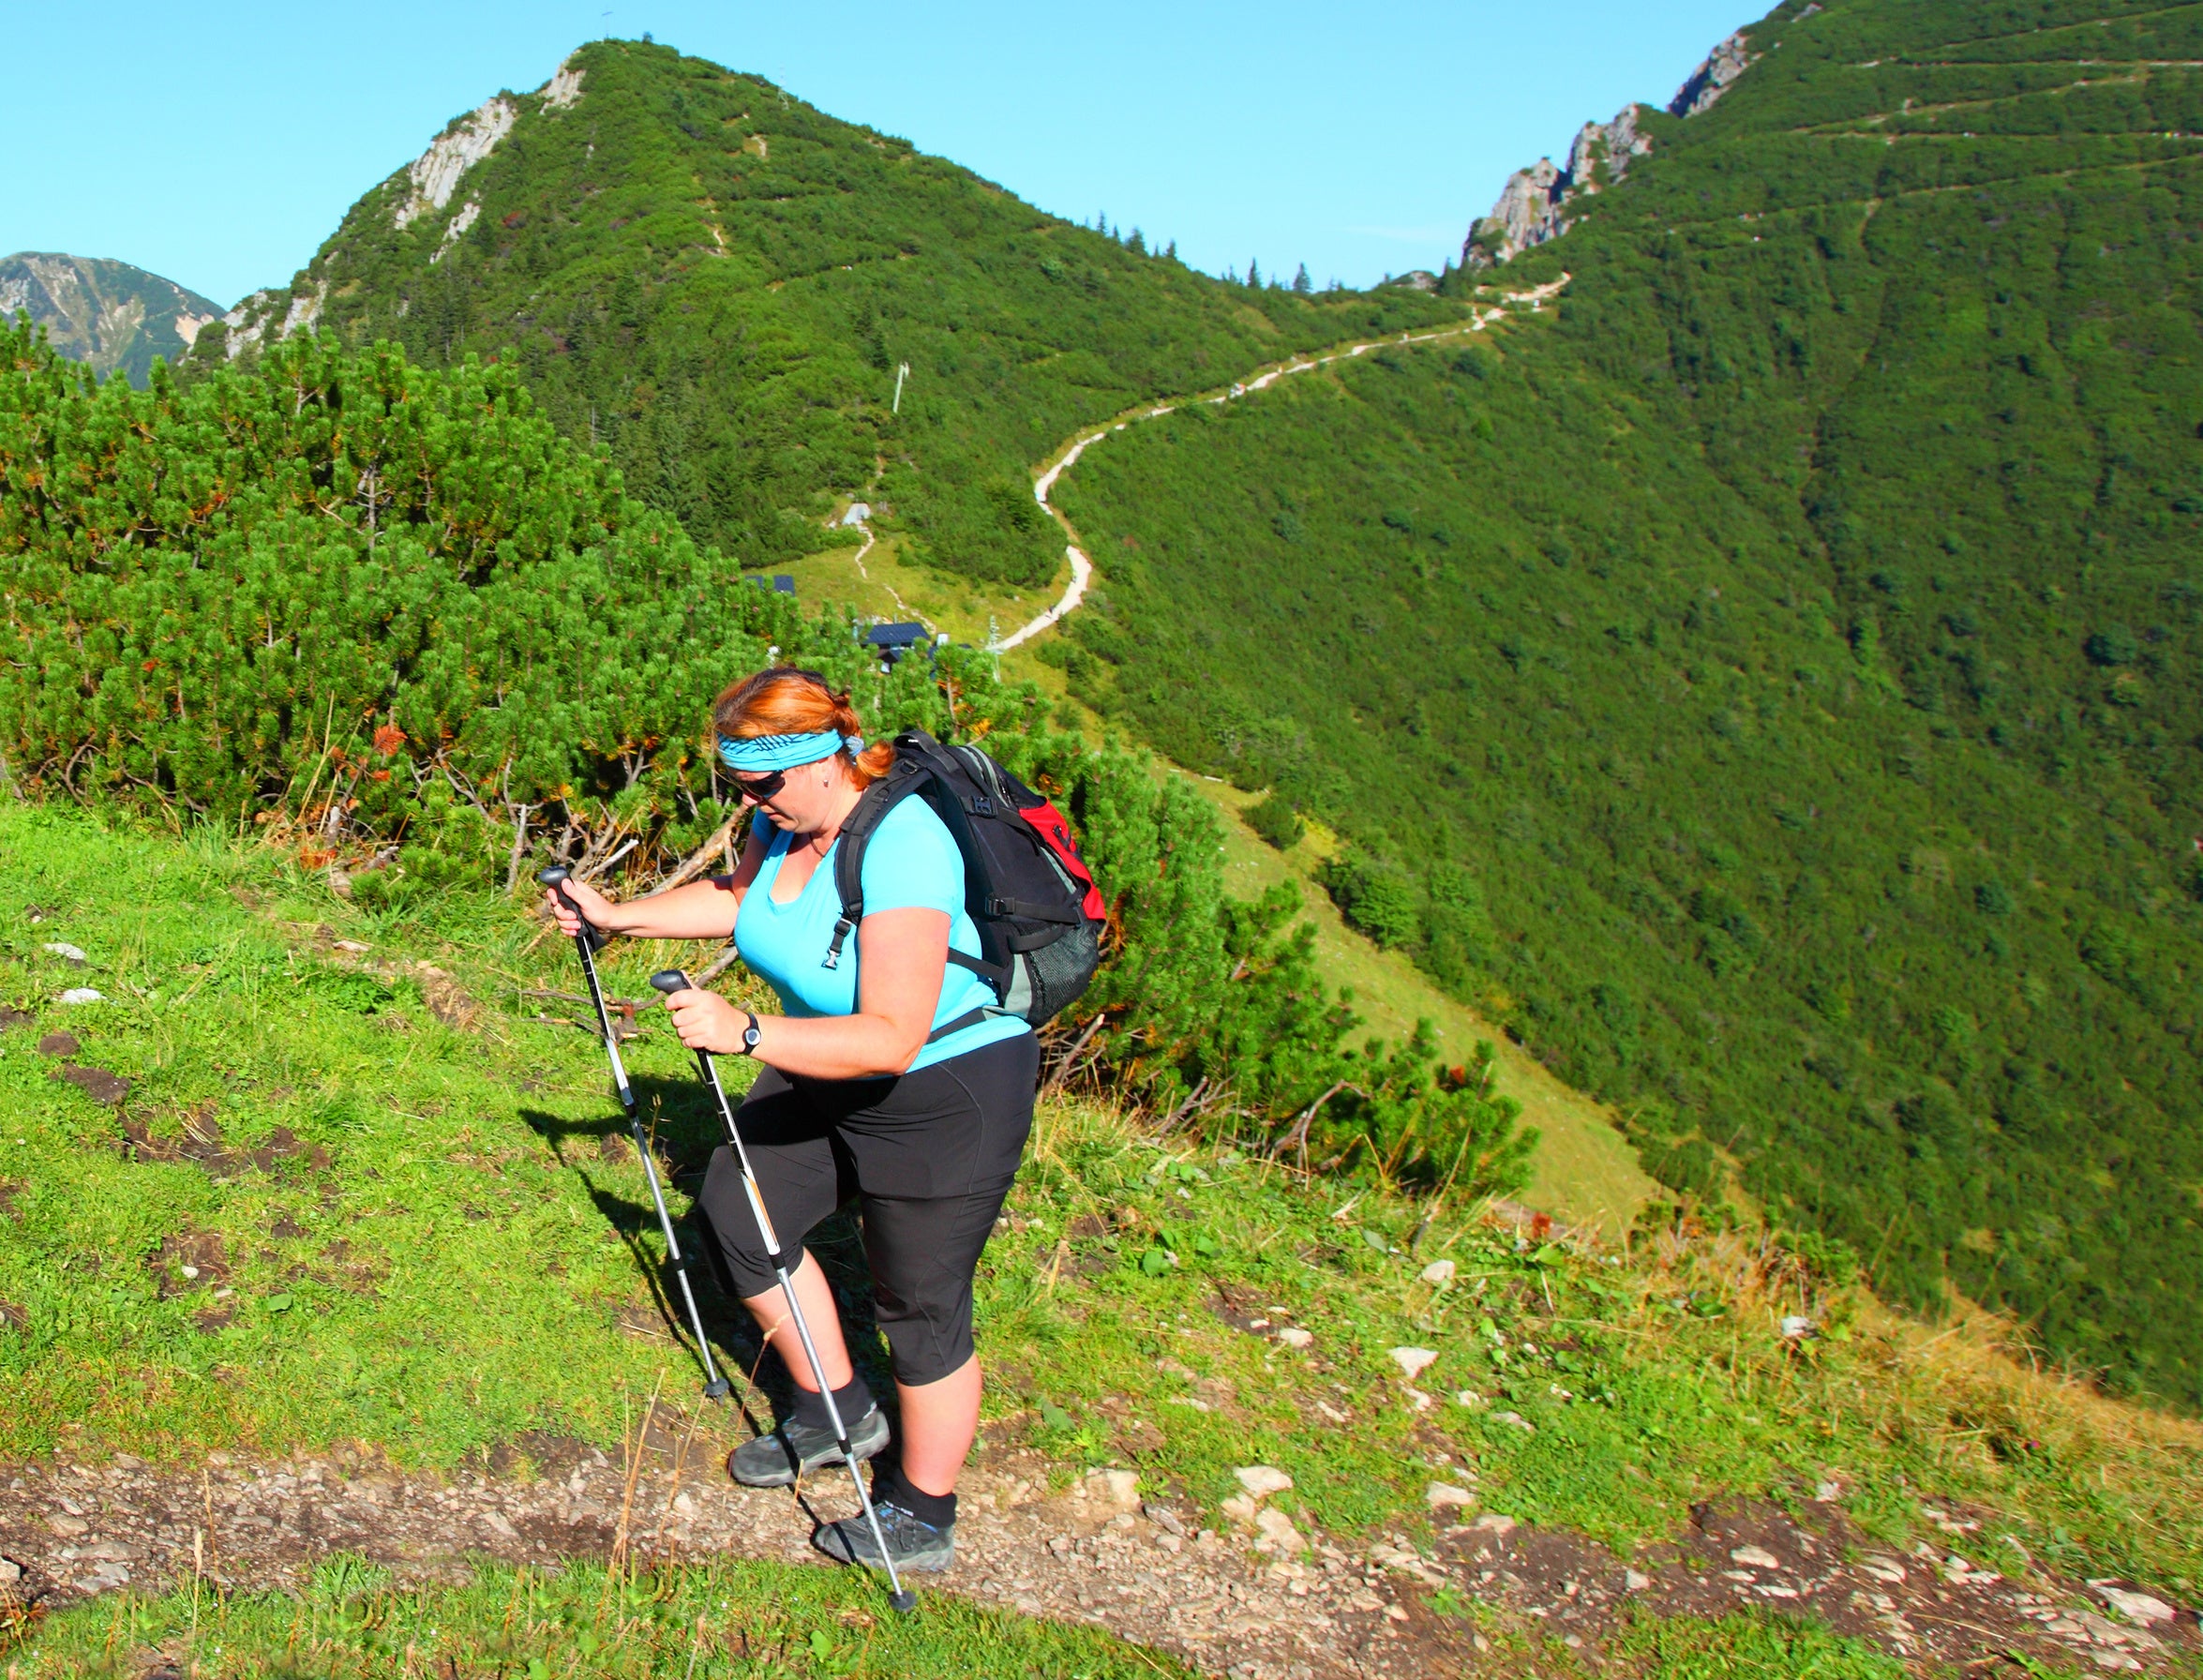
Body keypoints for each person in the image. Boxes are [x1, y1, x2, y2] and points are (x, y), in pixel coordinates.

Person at [545, 668, 1036, 1576]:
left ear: (823, 756)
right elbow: (740, 905)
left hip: (946, 1090)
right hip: (823, 1062)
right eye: (735, 783)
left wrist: (747, 1032)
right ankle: (837, 1409)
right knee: (739, 1210)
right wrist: (617, 917)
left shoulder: (903, 844)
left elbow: (892, 1035)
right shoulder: (782, 819)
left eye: (761, 782)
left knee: (919, 1308)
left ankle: (924, 1512)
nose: (747, 799)